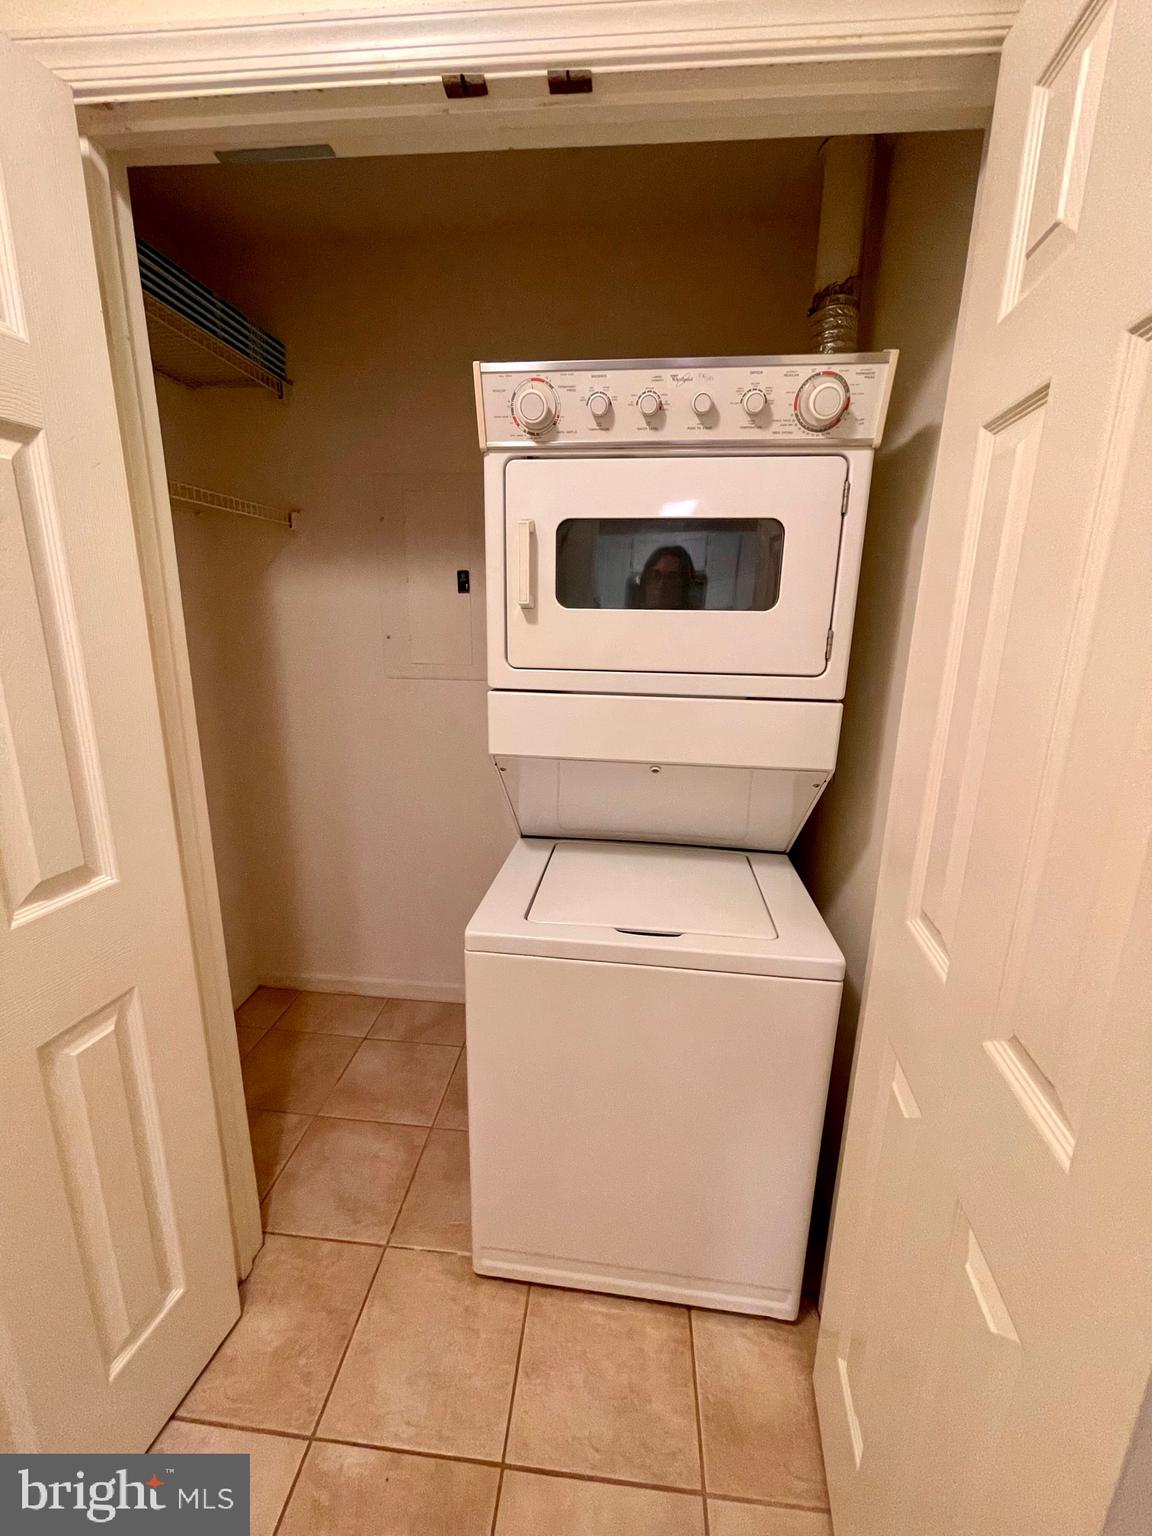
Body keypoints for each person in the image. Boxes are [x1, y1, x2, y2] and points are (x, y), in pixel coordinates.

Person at [638, 544, 697, 609]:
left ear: (684, 586)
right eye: (655, 575)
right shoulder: (631, 616)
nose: (661, 585)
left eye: (671, 578)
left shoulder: (695, 618)